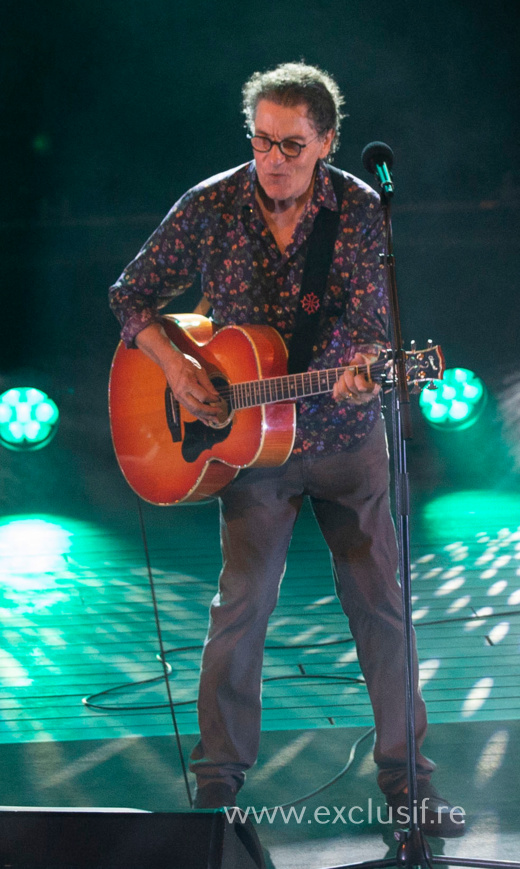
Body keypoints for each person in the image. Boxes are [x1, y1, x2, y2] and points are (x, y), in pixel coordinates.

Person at [108, 63, 464, 837]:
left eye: (292, 145)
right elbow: (129, 295)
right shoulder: (210, 204)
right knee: (242, 608)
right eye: (262, 140)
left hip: (344, 440)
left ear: (327, 142)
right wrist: (176, 366)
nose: (273, 159)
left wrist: (365, 374)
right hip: (247, 446)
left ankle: (409, 786)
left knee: (382, 606)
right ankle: (216, 795)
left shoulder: (362, 210)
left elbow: (372, 326)